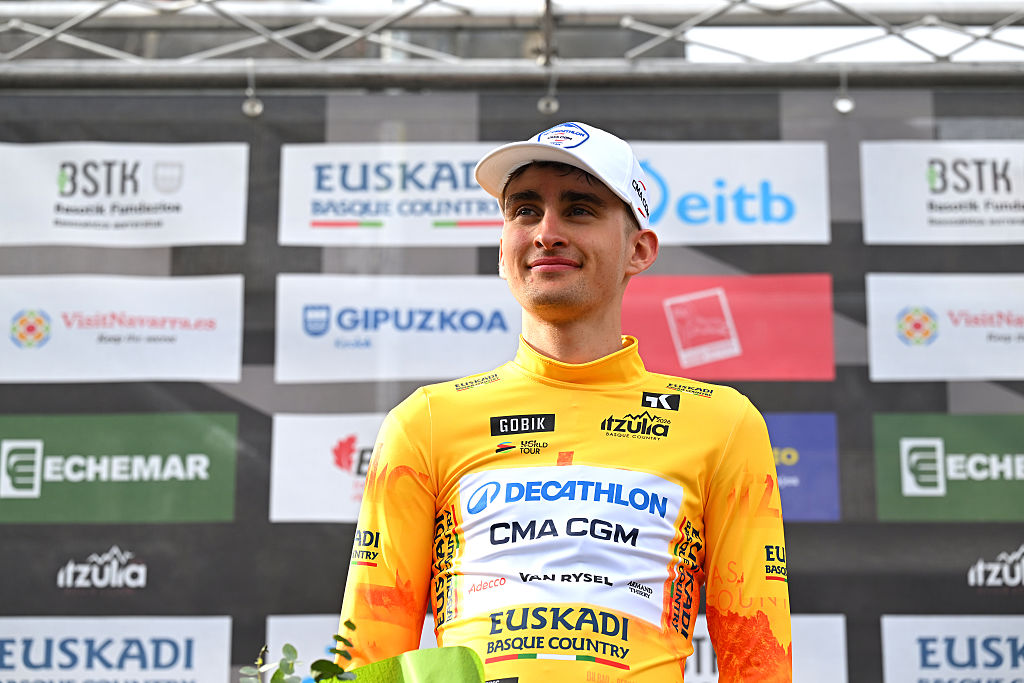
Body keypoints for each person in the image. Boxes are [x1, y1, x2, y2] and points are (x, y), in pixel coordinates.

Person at [337, 121, 791, 682]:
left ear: (639, 250)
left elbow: (759, 662)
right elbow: (368, 657)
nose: (546, 232)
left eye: (579, 210)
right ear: (502, 246)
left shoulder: (721, 422)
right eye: (525, 211)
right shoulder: (425, 421)